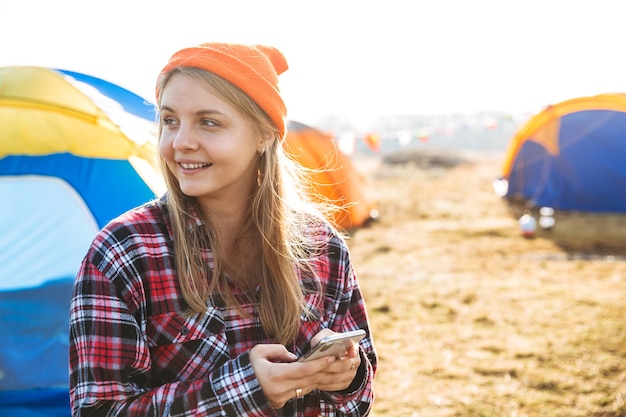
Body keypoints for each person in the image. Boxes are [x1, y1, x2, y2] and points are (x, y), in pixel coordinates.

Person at [69, 42, 377, 416]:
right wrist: (247, 389)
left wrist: (347, 375)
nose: (181, 142)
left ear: (264, 135)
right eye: (170, 121)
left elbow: (360, 396)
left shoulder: (321, 246)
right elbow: (99, 409)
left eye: (208, 122)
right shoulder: (122, 253)